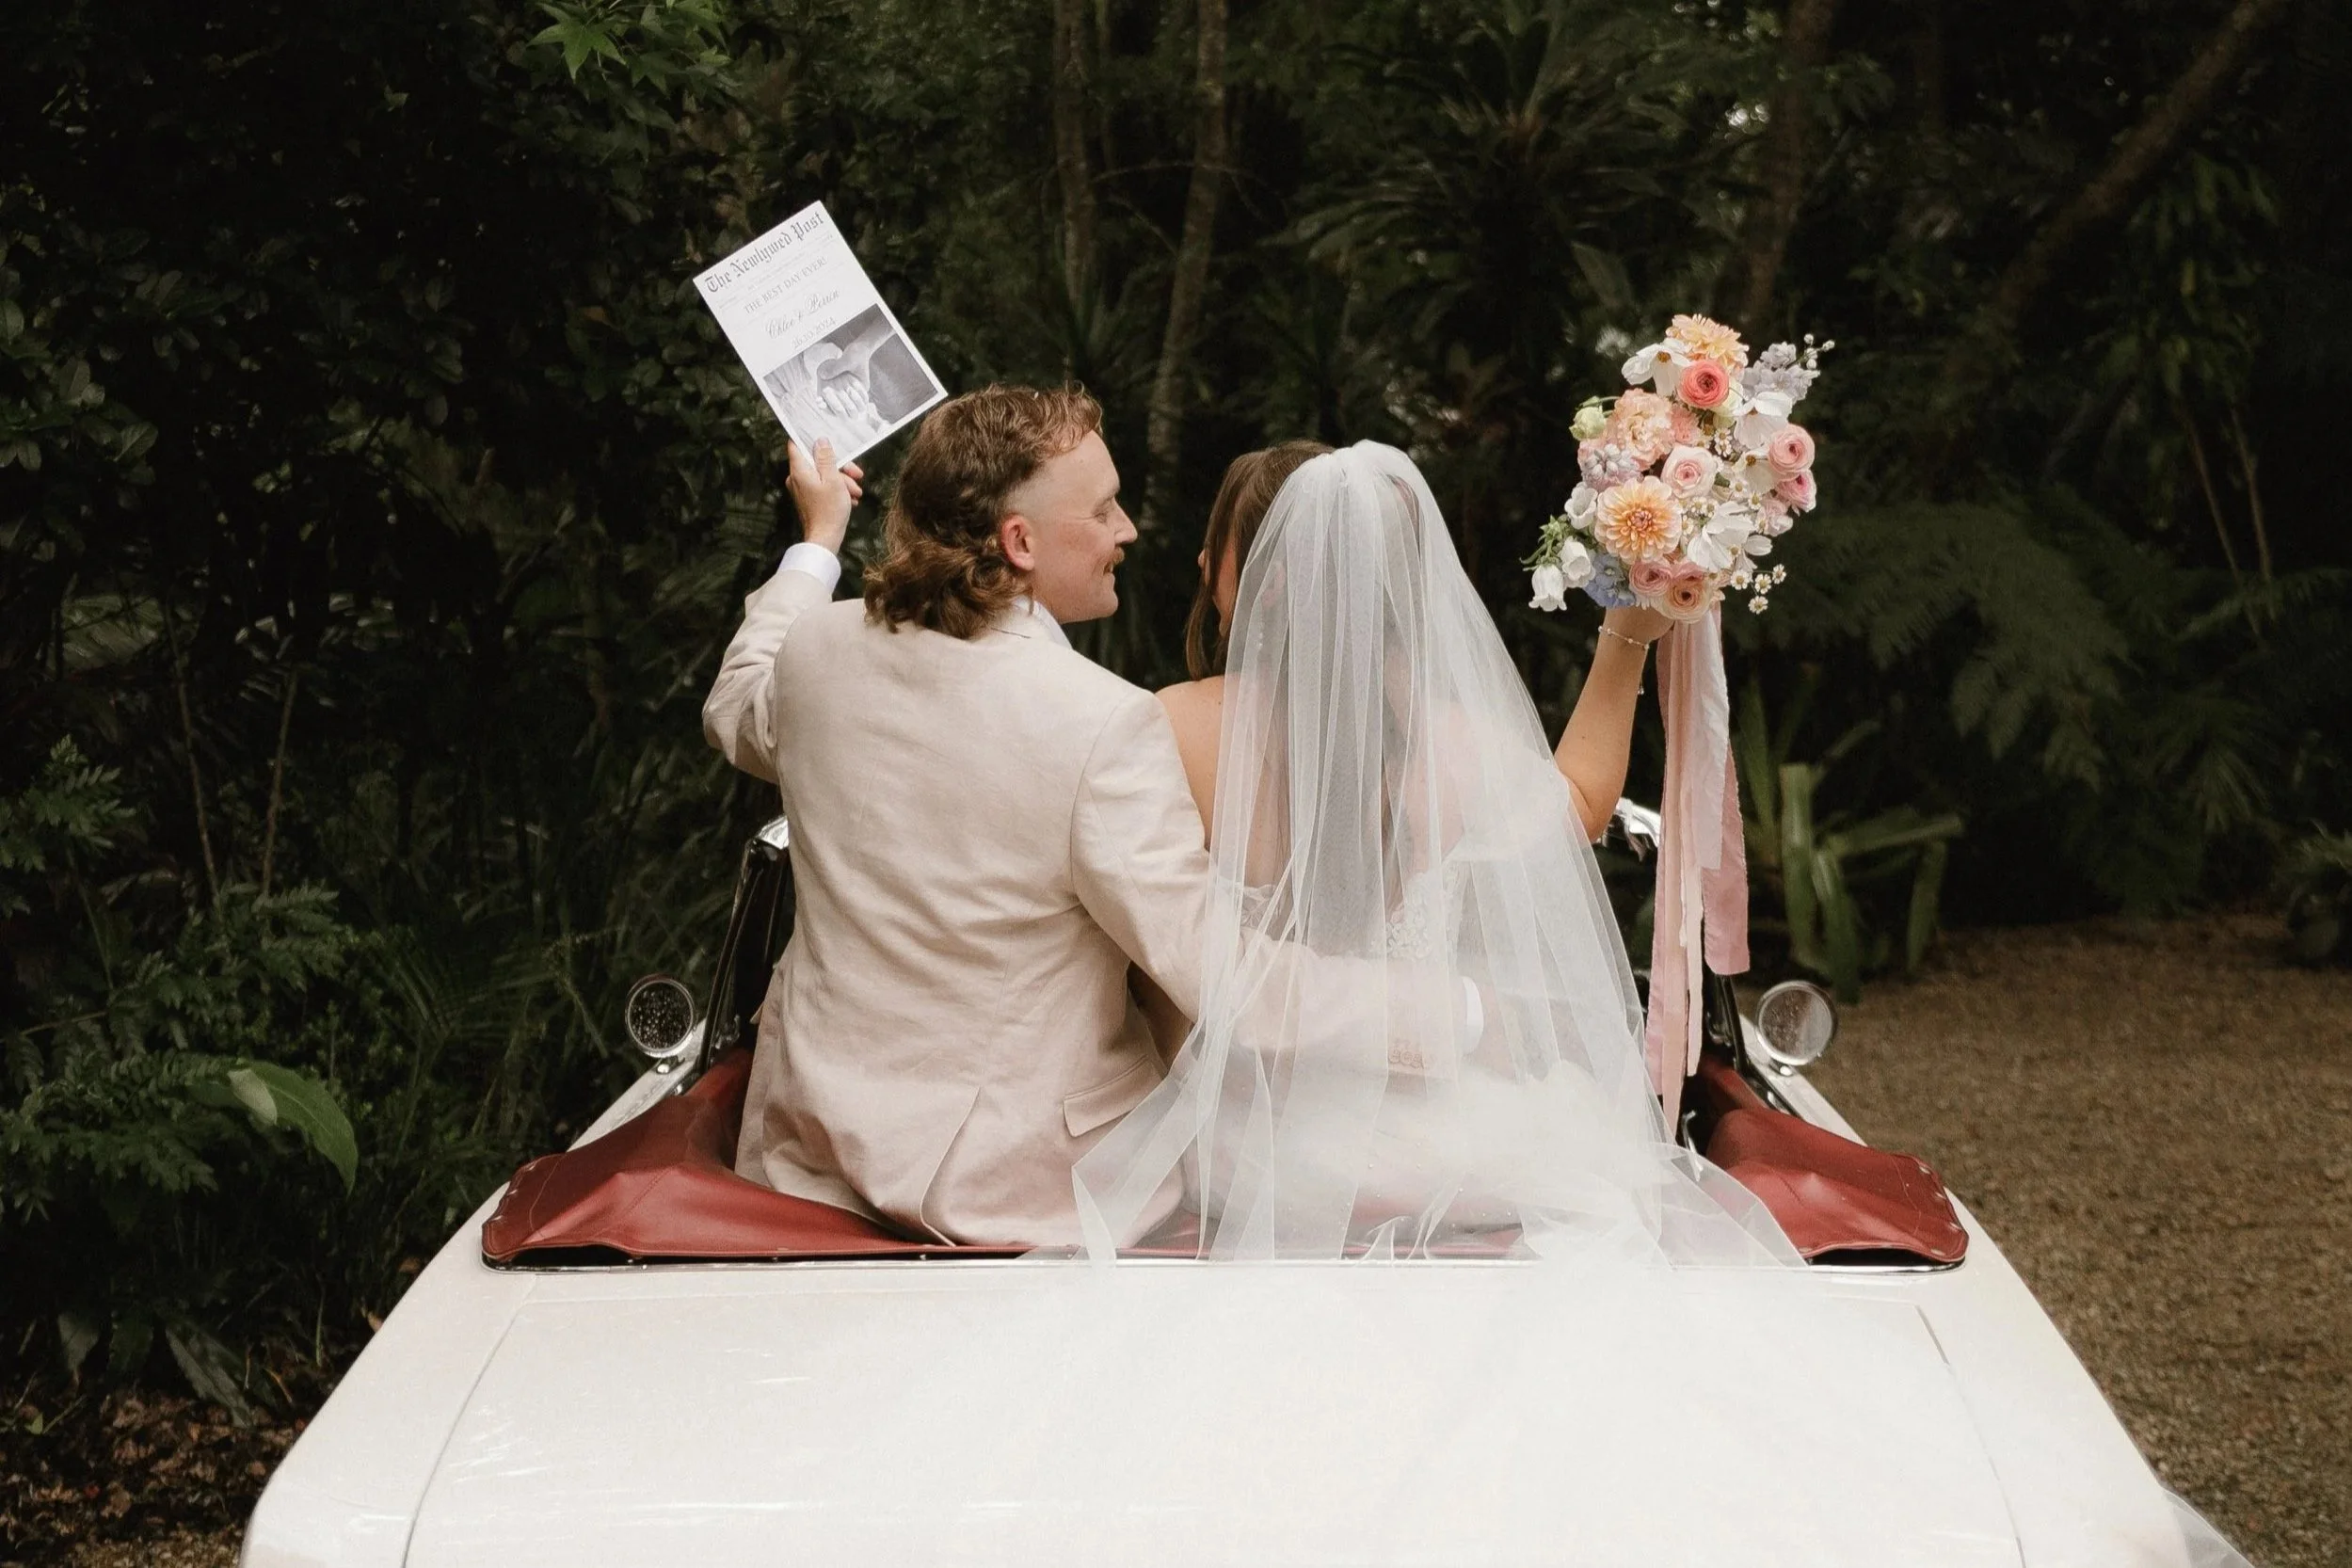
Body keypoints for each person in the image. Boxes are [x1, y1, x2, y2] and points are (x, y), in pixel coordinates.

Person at [702, 388, 1466, 1249]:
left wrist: (818, 543)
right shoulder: (1104, 723)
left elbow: (736, 703)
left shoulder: (816, 650)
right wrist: (1450, 1012)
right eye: (1102, 509)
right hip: (1010, 1189)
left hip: (805, 1156)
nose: (1126, 530)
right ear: (1019, 542)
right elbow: (1229, 982)